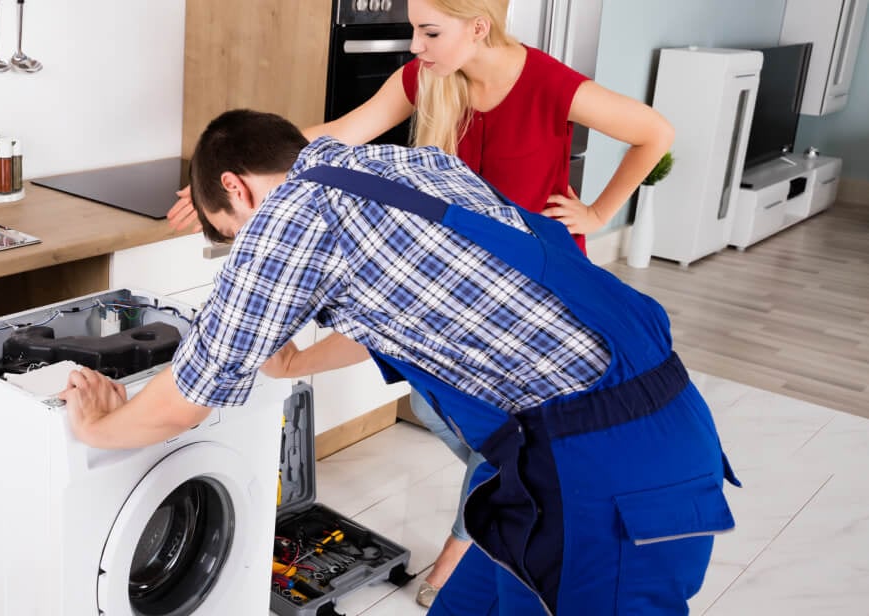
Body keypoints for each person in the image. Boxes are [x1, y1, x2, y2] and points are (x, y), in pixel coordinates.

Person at [63, 109, 737, 615]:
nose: (247, 250)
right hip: (606, 441)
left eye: (234, 234)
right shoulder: (406, 165)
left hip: (607, 477)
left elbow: (189, 397)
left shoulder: (287, 220)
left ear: (237, 190)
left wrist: (96, 428)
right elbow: (419, 302)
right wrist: (294, 365)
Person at [165, 0, 675, 603]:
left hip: (525, 295)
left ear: (477, 27)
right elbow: (332, 136)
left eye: (428, 31)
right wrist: (230, 171)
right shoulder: (425, 77)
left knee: (504, 436)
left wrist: (596, 212)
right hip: (442, 290)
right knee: (455, 419)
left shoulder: (546, 83)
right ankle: (501, 514)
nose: (414, 45)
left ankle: (468, 547)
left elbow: (655, 134)